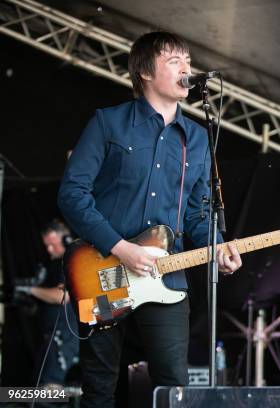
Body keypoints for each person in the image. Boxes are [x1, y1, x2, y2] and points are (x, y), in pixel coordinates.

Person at [57, 31, 242, 407]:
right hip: (101, 272)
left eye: (188, 61)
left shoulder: (197, 137)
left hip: (166, 279)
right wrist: (121, 247)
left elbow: (196, 214)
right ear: (145, 72)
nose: (186, 69)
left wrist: (217, 247)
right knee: (100, 384)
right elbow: (72, 194)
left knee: (174, 383)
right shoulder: (109, 123)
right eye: (175, 61)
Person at [27, 219, 79, 387]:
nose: (49, 249)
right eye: (46, 245)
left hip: (63, 337)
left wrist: (29, 289)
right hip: (51, 337)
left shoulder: (72, 261)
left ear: (66, 240)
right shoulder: (54, 265)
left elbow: (61, 296)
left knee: (50, 389)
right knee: (38, 388)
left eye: (52, 244)